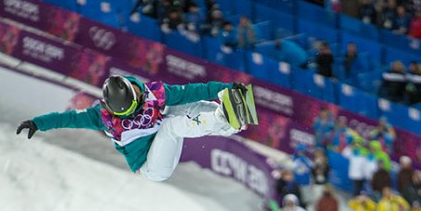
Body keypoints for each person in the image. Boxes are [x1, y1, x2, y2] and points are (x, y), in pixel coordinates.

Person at [17, 75, 251, 183]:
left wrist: (227, 87)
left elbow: (191, 90)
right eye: (123, 114)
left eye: (132, 109)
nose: (130, 116)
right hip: (151, 167)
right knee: (170, 126)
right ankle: (223, 119)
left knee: (180, 106)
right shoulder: (101, 116)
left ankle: (229, 118)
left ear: (135, 95)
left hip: (159, 136)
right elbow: (68, 118)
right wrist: (38, 122)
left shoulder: (154, 94)